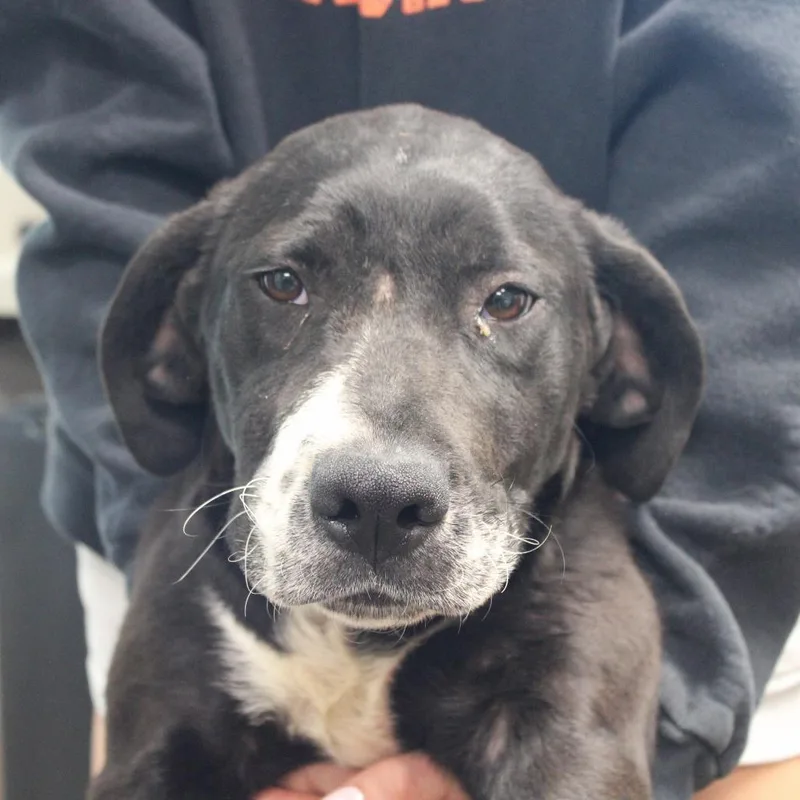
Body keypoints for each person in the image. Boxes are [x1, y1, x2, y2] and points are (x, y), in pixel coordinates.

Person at [1, 1, 799, 797]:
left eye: (505, 303)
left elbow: (758, 242)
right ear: (174, 334)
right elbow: (95, 165)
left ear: (620, 362)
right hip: (221, 524)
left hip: (678, 541)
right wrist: (147, 504)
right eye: (285, 285)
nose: (380, 477)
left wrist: (688, 652)